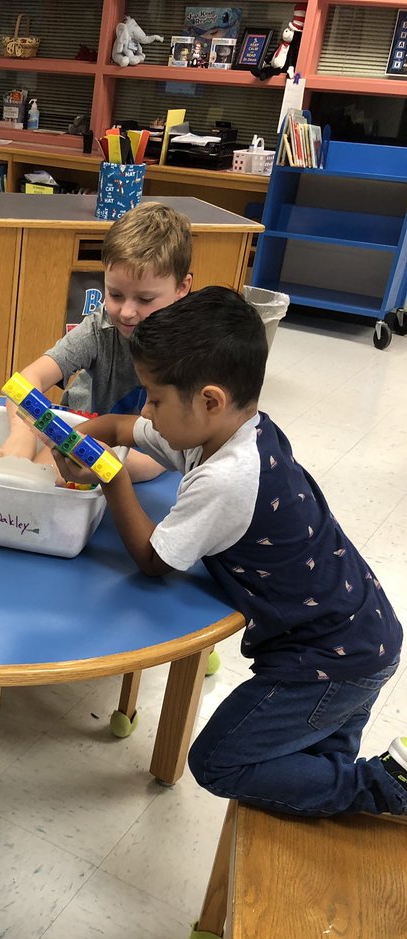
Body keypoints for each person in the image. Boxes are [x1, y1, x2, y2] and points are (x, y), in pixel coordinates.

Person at [55, 286, 406, 817]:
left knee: (219, 763)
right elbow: (132, 428)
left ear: (210, 400)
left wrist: (111, 477)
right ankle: (356, 788)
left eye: (154, 396)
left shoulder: (225, 478)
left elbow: (154, 561)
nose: (146, 409)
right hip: (359, 631)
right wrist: (89, 432)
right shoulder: (237, 431)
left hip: (328, 659)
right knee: (311, 762)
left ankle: (384, 789)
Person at [0, 201, 192, 484]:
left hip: (137, 456)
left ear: (181, 288)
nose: (126, 312)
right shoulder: (101, 328)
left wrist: (110, 466)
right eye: (115, 294)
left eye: (145, 299)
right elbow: (28, 380)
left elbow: (166, 456)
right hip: (75, 434)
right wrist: (23, 432)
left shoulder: (194, 347)